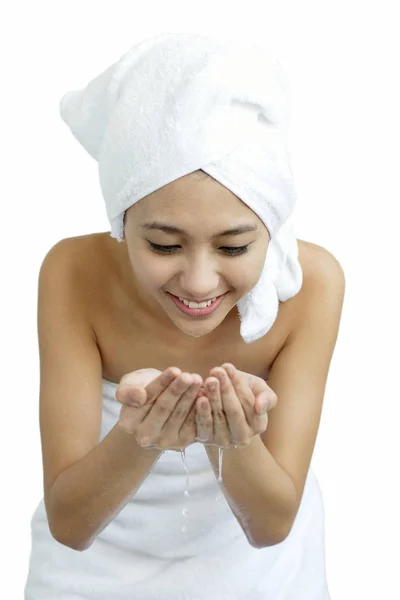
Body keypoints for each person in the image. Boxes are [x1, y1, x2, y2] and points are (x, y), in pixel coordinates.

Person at [24, 34, 344, 599]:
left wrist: (231, 440)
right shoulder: (74, 271)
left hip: (258, 575)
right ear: (124, 222)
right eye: (165, 246)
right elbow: (70, 525)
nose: (198, 282)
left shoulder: (313, 286)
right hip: (93, 571)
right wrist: (138, 440)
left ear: (271, 226)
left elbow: (271, 525)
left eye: (234, 248)